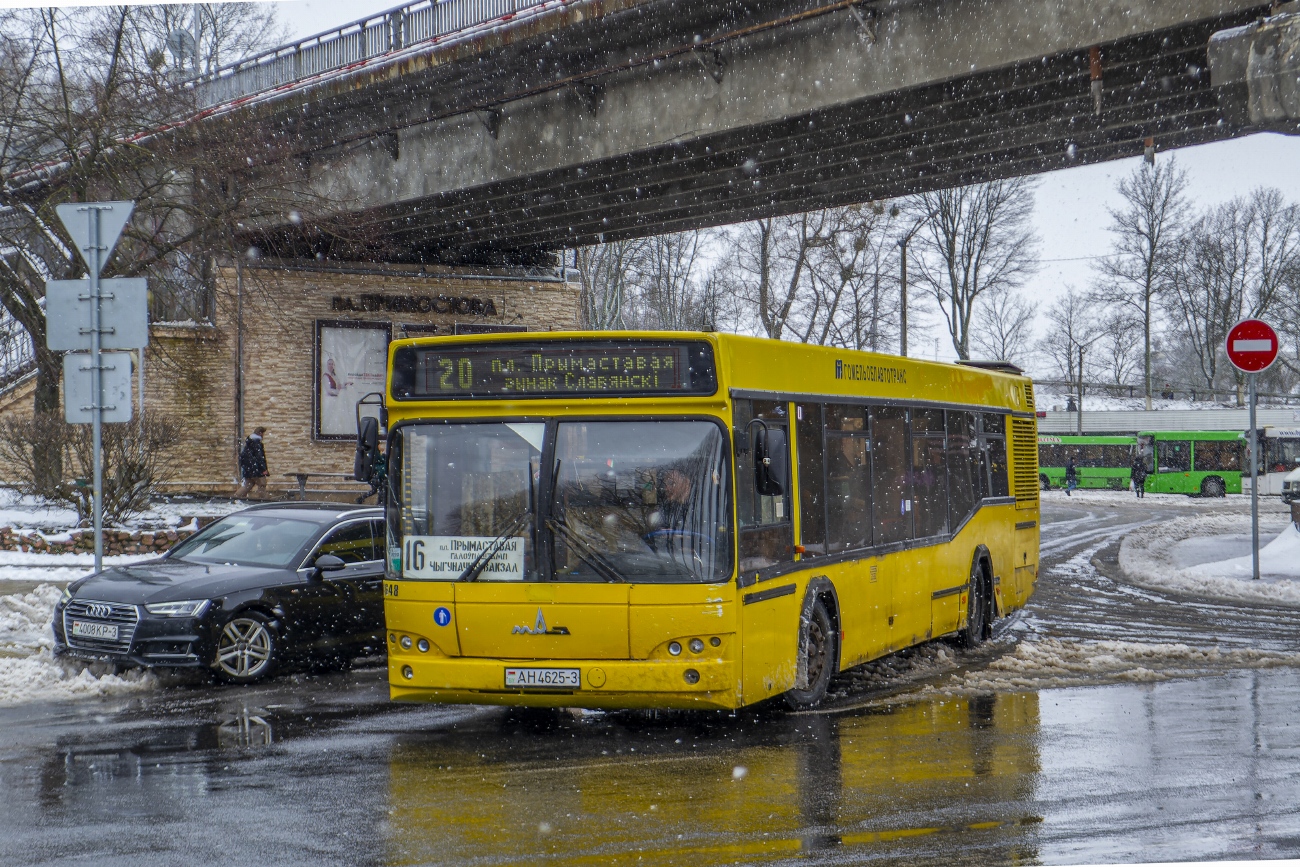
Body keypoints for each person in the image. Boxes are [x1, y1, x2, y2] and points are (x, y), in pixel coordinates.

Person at [235, 427, 269, 500]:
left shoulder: (248, 444)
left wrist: (246, 468)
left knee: (248, 485)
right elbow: (260, 458)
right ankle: (263, 500)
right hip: (257, 470)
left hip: (249, 470)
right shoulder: (257, 443)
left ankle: (236, 497)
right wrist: (264, 469)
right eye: (263, 433)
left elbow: (242, 457)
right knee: (262, 484)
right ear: (260, 433)